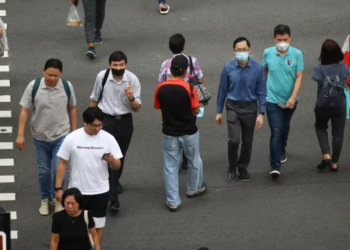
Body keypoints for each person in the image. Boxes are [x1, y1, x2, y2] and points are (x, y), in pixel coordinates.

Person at [15, 59, 77, 215]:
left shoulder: (67, 86)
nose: (52, 78)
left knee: (59, 170)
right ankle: (45, 199)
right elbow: (24, 111)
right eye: (49, 74)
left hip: (61, 135)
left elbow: (72, 109)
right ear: (43, 71)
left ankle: (58, 198)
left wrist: (75, 134)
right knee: (43, 171)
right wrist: (20, 135)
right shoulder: (33, 86)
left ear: (60, 74)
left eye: (56, 75)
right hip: (40, 136)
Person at [55, 107, 123, 247]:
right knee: (75, 227)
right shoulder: (72, 138)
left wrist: (112, 161)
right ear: (85, 122)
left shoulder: (108, 138)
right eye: (94, 125)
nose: (97, 129)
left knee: (97, 227)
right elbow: (62, 163)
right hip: (77, 192)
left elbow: (117, 166)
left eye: (100, 125)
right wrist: (58, 188)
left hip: (100, 191)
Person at [90, 51, 141, 212]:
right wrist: (90, 123)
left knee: (119, 157)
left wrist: (131, 97)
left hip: (125, 122)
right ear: (109, 64)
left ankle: (113, 181)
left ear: (126, 65)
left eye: (121, 65)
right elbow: (94, 99)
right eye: (115, 65)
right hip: (106, 121)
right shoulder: (102, 77)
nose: (118, 67)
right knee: (107, 156)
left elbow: (137, 108)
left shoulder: (132, 80)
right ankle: (112, 197)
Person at [154, 55, 207, 212]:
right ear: (184, 72)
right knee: (194, 160)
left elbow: (160, 108)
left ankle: (173, 201)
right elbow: (196, 110)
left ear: (170, 69)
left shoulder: (160, 88)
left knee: (170, 166)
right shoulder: (190, 88)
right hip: (189, 132)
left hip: (169, 132)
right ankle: (194, 188)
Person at [216, 37, 267, 183]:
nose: (242, 52)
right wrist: (219, 111)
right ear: (234, 51)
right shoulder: (228, 67)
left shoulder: (257, 68)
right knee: (234, 140)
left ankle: (242, 167)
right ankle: (232, 166)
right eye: (238, 50)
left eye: (244, 50)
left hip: (250, 108)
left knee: (247, 141)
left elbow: (262, 91)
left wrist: (261, 113)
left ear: (249, 50)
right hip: (233, 106)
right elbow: (222, 90)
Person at [263, 24, 304, 178]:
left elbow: (299, 76)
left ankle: (282, 149)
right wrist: (267, 89)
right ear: (274, 38)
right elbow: (265, 71)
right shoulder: (267, 53)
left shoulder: (297, 54)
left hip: (291, 101)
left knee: (285, 127)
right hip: (272, 100)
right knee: (276, 131)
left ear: (290, 38)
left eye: (285, 39)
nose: (282, 42)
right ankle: (275, 166)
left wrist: (293, 97)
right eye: (279, 39)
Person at [158, 33, 205, 170]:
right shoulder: (192, 61)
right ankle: (186, 158)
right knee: (189, 126)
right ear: (184, 46)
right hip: (189, 101)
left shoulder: (166, 64)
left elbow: (161, 82)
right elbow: (200, 79)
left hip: (170, 101)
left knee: (173, 126)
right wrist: (202, 97)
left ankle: (176, 153)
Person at [311, 39, 349, 171]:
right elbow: (344, 82)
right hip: (339, 104)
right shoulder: (344, 68)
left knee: (320, 127)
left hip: (323, 105)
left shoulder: (318, 69)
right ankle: (334, 162)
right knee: (338, 133)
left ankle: (325, 154)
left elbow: (318, 81)